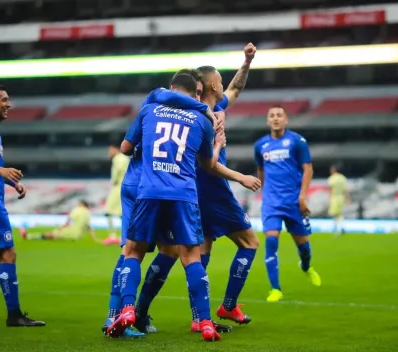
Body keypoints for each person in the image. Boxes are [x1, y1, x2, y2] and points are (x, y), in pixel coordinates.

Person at [135, 44, 261, 333]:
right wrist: (239, 175)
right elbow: (209, 163)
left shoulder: (199, 110)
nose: (224, 83)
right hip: (210, 188)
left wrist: (247, 62)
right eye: (219, 78)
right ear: (210, 84)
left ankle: (165, 314)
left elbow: (237, 89)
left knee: (181, 252)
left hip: (183, 190)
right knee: (249, 242)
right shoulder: (205, 117)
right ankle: (227, 305)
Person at [101, 71, 215, 338]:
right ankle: (205, 322)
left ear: (172, 87)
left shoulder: (150, 109)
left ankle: (127, 309)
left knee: (134, 252)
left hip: (147, 188)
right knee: (190, 256)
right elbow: (207, 164)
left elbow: (126, 147)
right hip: (182, 193)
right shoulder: (201, 118)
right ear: (194, 92)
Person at [0, 84, 45, 327]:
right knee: (8, 253)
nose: (9, 104)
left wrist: (10, 182)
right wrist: (2, 170)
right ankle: (14, 314)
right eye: (4, 100)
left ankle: (14, 314)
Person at [254, 105, 321, 303]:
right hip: (272, 203)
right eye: (272, 115)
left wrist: (302, 197)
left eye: (279, 115)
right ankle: (275, 288)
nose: (275, 118)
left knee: (304, 249)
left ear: (286, 120)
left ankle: (306, 267)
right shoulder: (260, 145)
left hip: (293, 202)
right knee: (271, 241)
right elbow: (261, 170)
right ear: (268, 121)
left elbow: (308, 169)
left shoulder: (297, 142)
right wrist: (265, 193)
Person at [20, 200, 98, 242]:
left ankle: (28, 236)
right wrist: (95, 239)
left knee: (50, 235)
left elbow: (68, 221)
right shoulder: (88, 213)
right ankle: (28, 236)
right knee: (52, 236)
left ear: (81, 204)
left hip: (70, 231)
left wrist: (61, 228)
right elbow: (89, 227)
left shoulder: (77, 209)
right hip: (77, 236)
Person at [103, 144, 130, 246]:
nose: (109, 152)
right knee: (122, 213)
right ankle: (124, 236)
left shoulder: (117, 158)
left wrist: (113, 181)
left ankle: (113, 236)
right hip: (126, 186)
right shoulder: (126, 158)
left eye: (110, 150)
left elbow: (116, 172)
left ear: (115, 149)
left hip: (118, 187)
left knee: (108, 211)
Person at [327, 165, 350, 236]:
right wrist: (348, 199)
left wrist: (329, 199)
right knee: (340, 214)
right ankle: (341, 227)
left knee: (334, 214)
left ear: (334, 170)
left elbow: (330, 189)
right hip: (341, 197)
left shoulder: (332, 178)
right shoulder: (343, 178)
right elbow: (346, 190)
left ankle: (336, 229)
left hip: (335, 197)